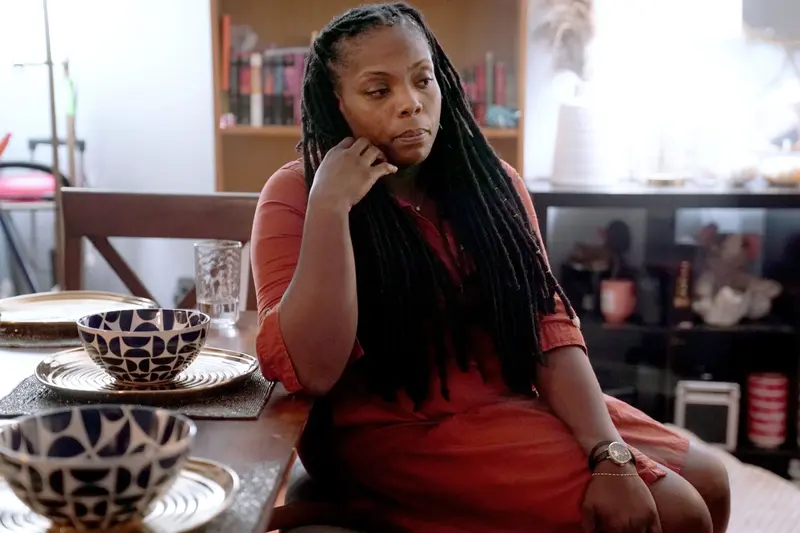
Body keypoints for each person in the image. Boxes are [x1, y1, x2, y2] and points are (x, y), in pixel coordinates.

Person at [251, 3, 730, 532]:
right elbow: (313, 370)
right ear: (335, 104)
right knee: (680, 513)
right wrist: (330, 208)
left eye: (422, 80)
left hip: (506, 401)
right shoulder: (295, 195)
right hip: (392, 429)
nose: (411, 104)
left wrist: (608, 452)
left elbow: (546, 330)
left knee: (710, 480)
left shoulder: (490, 183)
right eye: (378, 90)